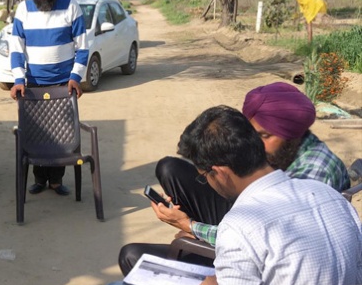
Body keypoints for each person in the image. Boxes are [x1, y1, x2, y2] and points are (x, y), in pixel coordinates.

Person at [102, 105, 362, 285]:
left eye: (204, 177)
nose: (207, 182)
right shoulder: (330, 197)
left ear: (220, 172)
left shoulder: (241, 225)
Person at [118, 82, 351, 274]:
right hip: (247, 229)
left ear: (292, 136)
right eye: (252, 136)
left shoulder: (313, 175)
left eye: (264, 136)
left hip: (254, 257)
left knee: (132, 257)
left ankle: (199, 253)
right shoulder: (281, 157)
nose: (256, 145)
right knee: (170, 168)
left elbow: (265, 238)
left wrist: (189, 226)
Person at [8, 0, 89, 196]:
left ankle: (56, 180)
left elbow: (83, 47)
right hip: (33, 84)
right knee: (37, 132)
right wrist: (18, 80)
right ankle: (39, 179)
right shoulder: (23, 10)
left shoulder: (71, 7)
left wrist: (75, 77)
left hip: (63, 84)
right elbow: (16, 48)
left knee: (61, 133)